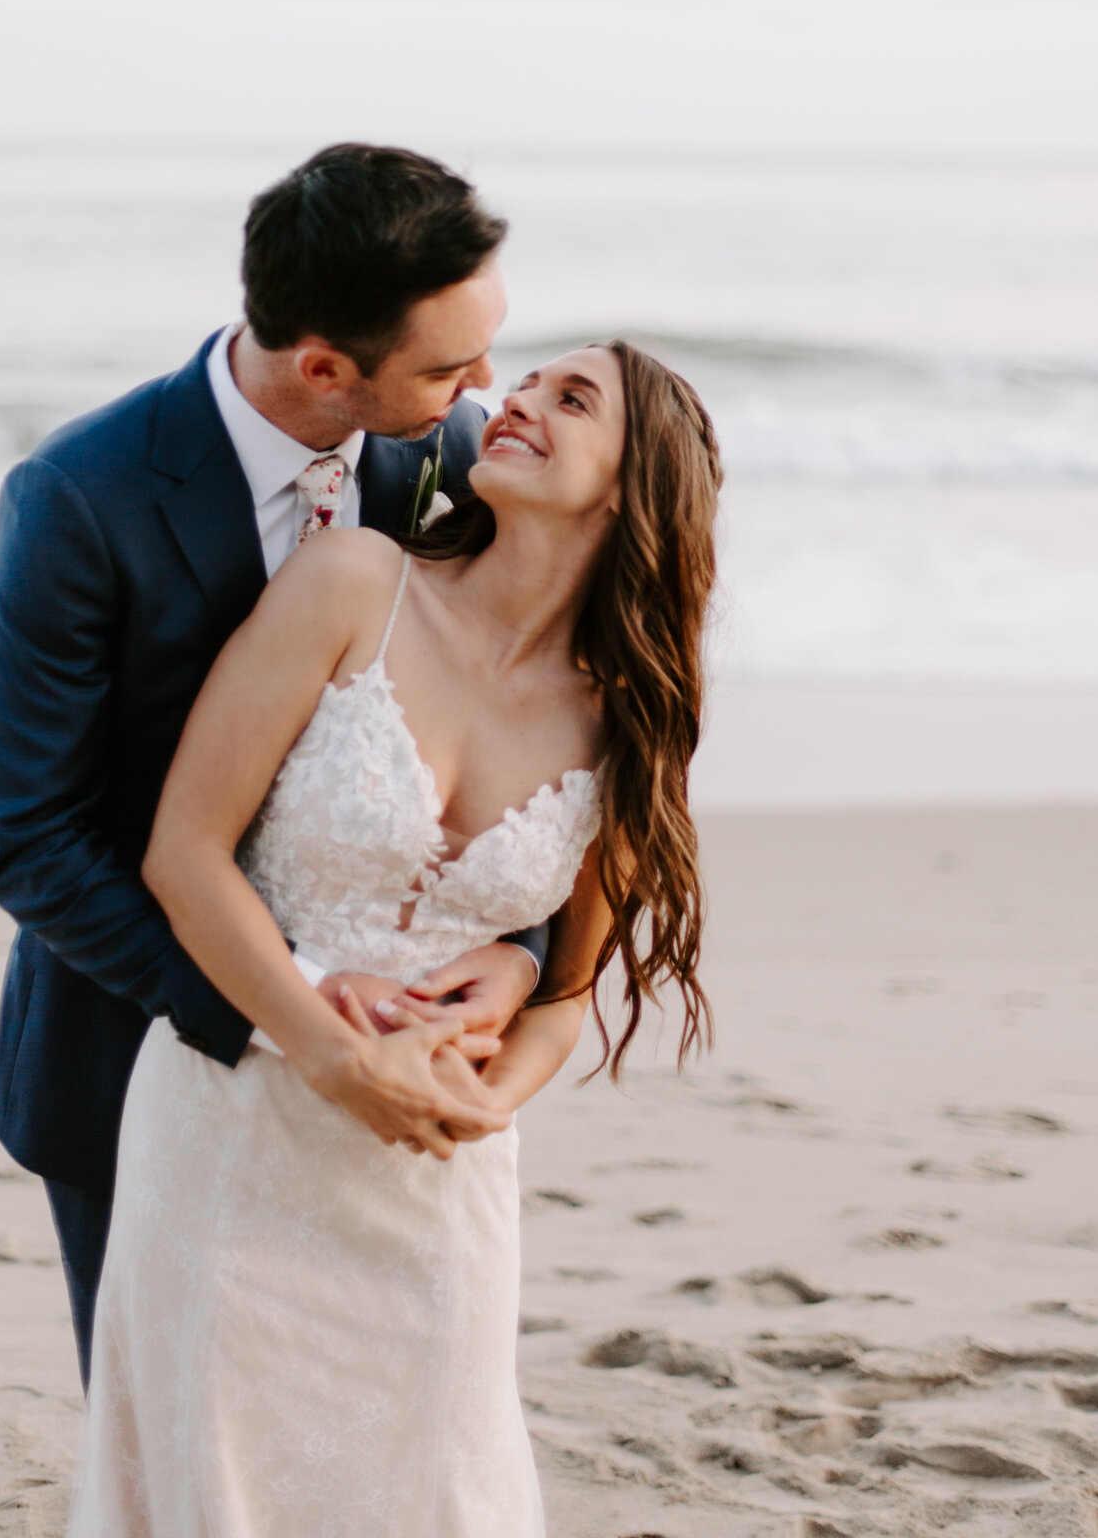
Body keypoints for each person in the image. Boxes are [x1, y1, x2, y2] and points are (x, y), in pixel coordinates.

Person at [68, 337, 721, 1537]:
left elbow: (563, 990)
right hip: (233, 1129)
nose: (515, 399)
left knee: (436, 1487)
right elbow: (184, 855)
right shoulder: (353, 581)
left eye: (571, 400)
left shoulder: (628, 719)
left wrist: (486, 1102)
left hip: (435, 1173)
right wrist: (328, 1047)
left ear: (636, 487)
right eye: (526, 379)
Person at [0, 143, 550, 1391]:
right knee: (170, 1432)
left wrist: (519, 952)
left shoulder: (453, 465)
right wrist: (288, 1013)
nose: (485, 389)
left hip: (397, 1062)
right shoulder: (80, 497)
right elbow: (33, 838)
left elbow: (527, 726)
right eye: (450, 364)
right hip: (135, 1043)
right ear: (325, 367)